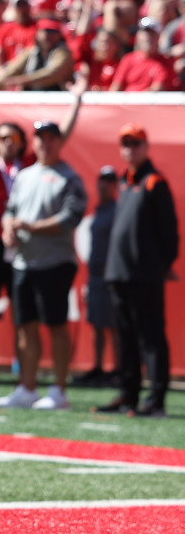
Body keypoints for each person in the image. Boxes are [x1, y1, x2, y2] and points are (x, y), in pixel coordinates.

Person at [0, 62, 82, 397]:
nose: (9, 142)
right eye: (3, 138)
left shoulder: (32, 167)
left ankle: (28, 383)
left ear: (24, 143)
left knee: (28, 320)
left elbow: (59, 136)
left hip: (25, 247)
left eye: (14, 138)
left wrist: (77, 100)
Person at [0, 120, 86, 410]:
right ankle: (27, 387)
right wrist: (8, 227)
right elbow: (10, 210)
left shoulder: (69, 177)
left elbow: (70, 218)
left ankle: (59, 390)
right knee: (25, 327)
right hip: (23, 262)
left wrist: (30, 227)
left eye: (50, 138)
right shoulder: (25, 175)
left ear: (59, 142)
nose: (45, 143)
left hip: (54, 261)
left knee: (56, 326)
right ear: (33, 143)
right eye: (40, 138)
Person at [97, 124, 178, 418]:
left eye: (135, 144)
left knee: (151, 337)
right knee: (126, 337)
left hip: (144, 275)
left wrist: (160, 265)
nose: (130, 150)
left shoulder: (154, 183)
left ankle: (156, 399)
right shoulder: (123, 182)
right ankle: (128, 393)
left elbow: (169, 233)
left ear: (145, 147)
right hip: (119, 274)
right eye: (125, 144)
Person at [74, 165, 121, 388]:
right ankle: (99, 366)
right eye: (102, 180)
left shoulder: (117, 210)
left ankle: (119, 369)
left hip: (110, 277)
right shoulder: (100, 210)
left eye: (110, 181)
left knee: (113, 325)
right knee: (97, 323)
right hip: (95, 276)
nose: (105, 185)